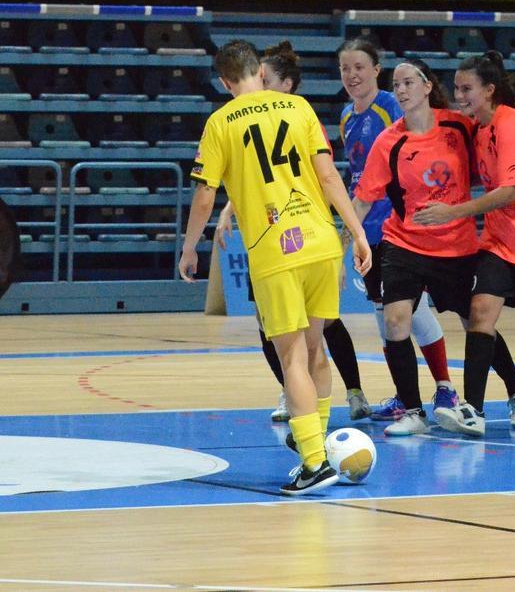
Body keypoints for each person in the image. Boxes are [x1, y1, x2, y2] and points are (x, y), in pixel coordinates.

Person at [179, 40, 372, 496]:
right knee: (316, 350)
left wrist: (190, 247)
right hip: (322, 241)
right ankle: (318, 447)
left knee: (292, 359)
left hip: (275, 251)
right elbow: (328, 176)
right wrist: (357, 233)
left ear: (225, 82)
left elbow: (205, 195)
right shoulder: (299, 108)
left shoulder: (219, 123)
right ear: (260, 74)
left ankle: (314, 461)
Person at [353, 58, 515, 436]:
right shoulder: (389, 141)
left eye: (409, 82)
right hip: (404, 242)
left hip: (455, 247)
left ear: (428, 86)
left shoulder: (459, 127)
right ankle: (412, 410)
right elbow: (364, 199)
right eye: (396, 85)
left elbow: (494, 168)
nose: (401, 90)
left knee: (477, 323)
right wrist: (353, 236)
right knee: (396, 320)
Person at [416, 51, 515, 436]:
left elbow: (508, 193)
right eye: (455, 88)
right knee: (480, 311)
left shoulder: (509, 124)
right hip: (501, 239)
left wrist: (453, 213)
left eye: (466, 89)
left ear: (489, 90)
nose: (459, 96)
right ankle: (473, 409)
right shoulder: (478, 127)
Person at [215, 41, 370, 423]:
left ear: (284, 84)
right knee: (279, 332)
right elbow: (261, 171)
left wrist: (356, 229)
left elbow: (320, 174)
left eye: (265, 78)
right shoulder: (252, 119)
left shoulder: (300, 114)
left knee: (315, 336)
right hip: (285, 235)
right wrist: (230, 208)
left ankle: (343, 398)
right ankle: (301, 401)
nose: (260, 83)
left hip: (300, 233)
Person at [337, 38, 458, 418]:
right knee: (383, 314)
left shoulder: (391, 106)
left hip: (398, 228)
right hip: (367, 230)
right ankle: (406, 396)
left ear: (376, 70)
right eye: (345, 69)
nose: (352, 75)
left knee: (410, 312)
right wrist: (350, 230)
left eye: (359, 67)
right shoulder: (346, 117)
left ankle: (445, 388)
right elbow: (359, 178)